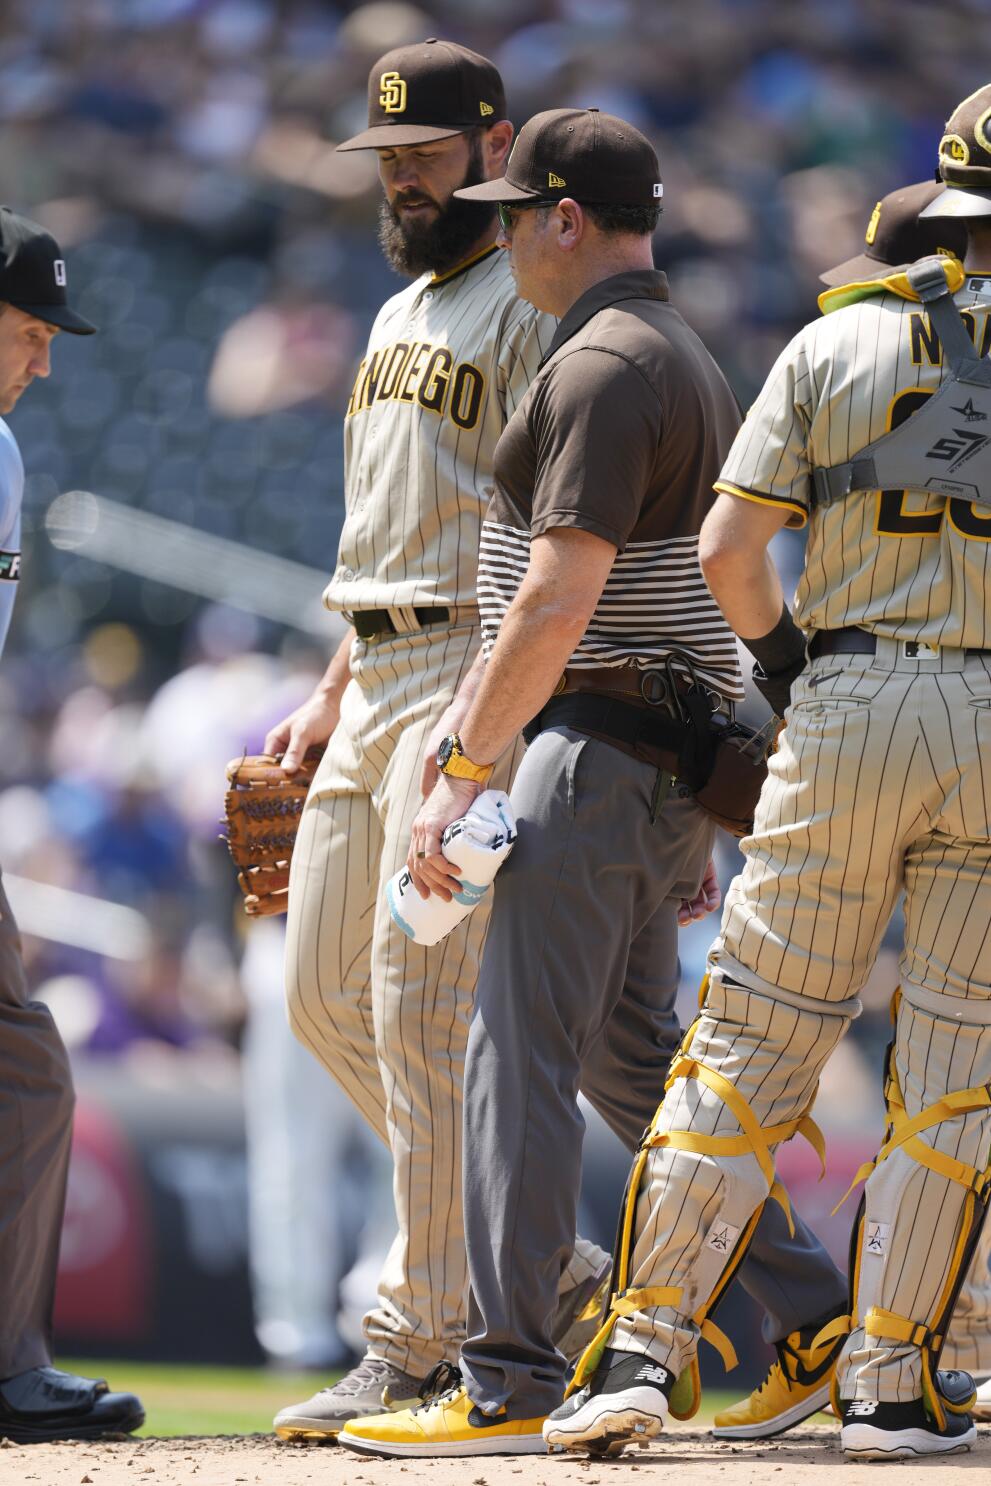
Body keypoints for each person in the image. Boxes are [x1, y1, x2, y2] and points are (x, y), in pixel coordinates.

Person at [336, 106, 848, 1461]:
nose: (498, 233)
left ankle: (504, 1373)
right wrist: (678, 797)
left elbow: (557, 599)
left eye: (513, 213)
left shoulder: (606, 360)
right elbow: (682, 589)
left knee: (515, 1054)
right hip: (654, 751)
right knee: (631, 1056)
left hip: (593, 744)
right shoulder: (671, 347)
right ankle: (802, 1306)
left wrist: (460, 763)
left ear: (566, 220)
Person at [542, 83, 991, 1463]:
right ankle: (885, 1382)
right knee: (953, 1070)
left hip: (848, 695)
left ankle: (640, 1345)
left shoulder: (837, 335)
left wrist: (796, 673)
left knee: (748, 1033)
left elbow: (727, 552)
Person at [269, 41, 612, 1441]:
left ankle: (421, 1336)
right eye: (386, 160)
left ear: (494, 147)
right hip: (371, 664)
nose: (402, 179)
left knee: (418, 1011)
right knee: (319, 1003)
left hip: (466, 671)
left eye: (423, 155)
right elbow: (381, 535)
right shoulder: (397, 309)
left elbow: (542, 529)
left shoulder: (528, 302)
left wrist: (505, 708)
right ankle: (548, 1263)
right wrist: (325, 681)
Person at [0, 207, 143, 1443]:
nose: (45, 358)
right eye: (29, 329)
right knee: (22, 1066)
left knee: (22, 1067)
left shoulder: (0, 450)